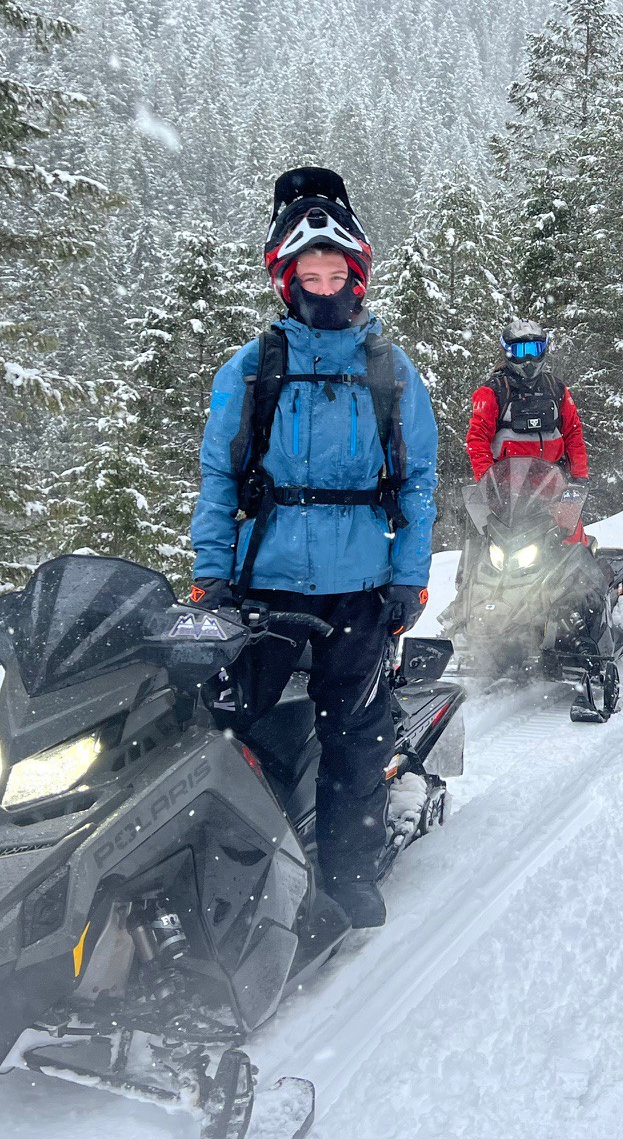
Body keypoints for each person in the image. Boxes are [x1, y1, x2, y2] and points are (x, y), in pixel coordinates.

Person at [186, 167, 439, 929]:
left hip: (359, 587)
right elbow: (218, 479)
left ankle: (350, 873)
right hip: (264, 584)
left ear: (356, 279)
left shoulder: (390, 372)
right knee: (242, 734)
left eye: (335, 273)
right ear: (285, 281)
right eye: (308, 273)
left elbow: (418, 482)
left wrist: (408, 578)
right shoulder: (251, 369)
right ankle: (237, 882)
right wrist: (211, 575)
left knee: (354, 733)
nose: (323, 286)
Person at [465, 320, 590, 541]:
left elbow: (573, 433)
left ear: (544, 350)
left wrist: (579, 476)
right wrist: (488, 483)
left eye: (534, 350)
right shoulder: (493, 391)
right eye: (520, 351)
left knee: (573, 542)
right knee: (494, 546)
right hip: (510, 492)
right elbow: (477, 440)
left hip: (553, 485)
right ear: (508, 352)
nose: (528, 359)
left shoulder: (556, 388)